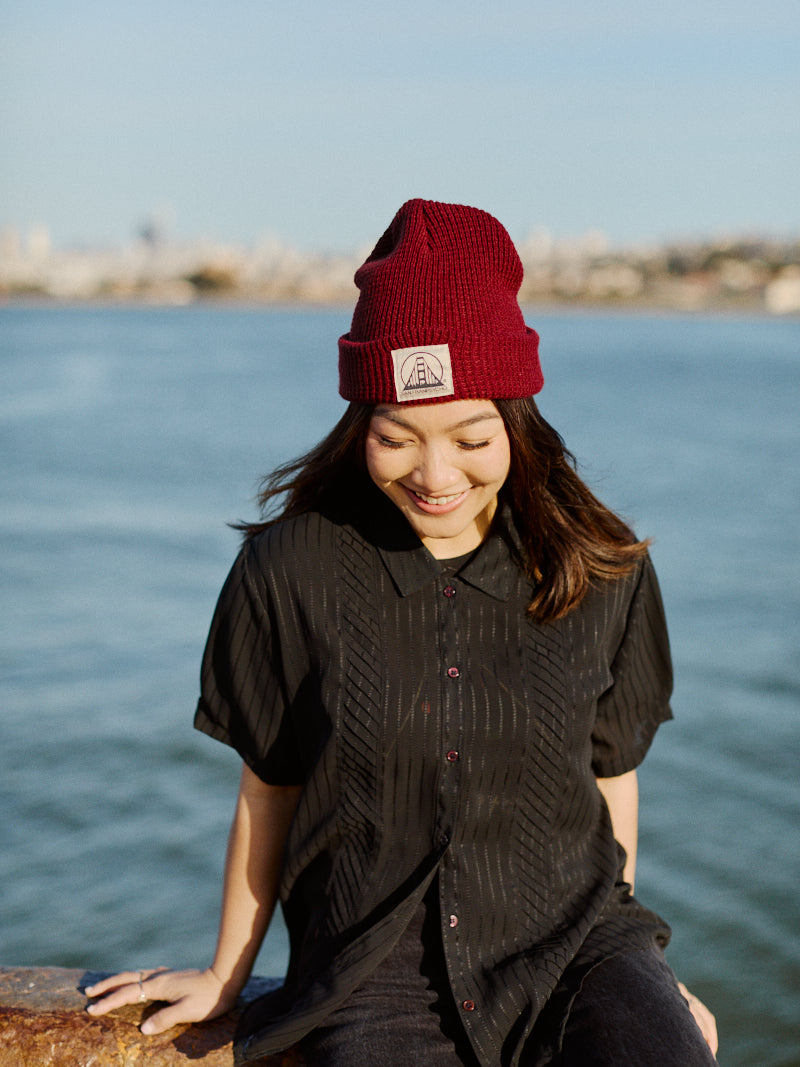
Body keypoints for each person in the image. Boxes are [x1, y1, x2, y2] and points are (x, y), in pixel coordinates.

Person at [86, 199, 718, 1065]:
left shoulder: (600, 567)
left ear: (516, 421)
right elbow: (266, 788)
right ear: (360, 426)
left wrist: (641, 978)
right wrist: (228, 975)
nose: (435, 474)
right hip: (370, 966)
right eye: (397, 437)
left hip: (578, 942)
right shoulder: (288, 570)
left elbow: (614, 776)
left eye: (471, 436)